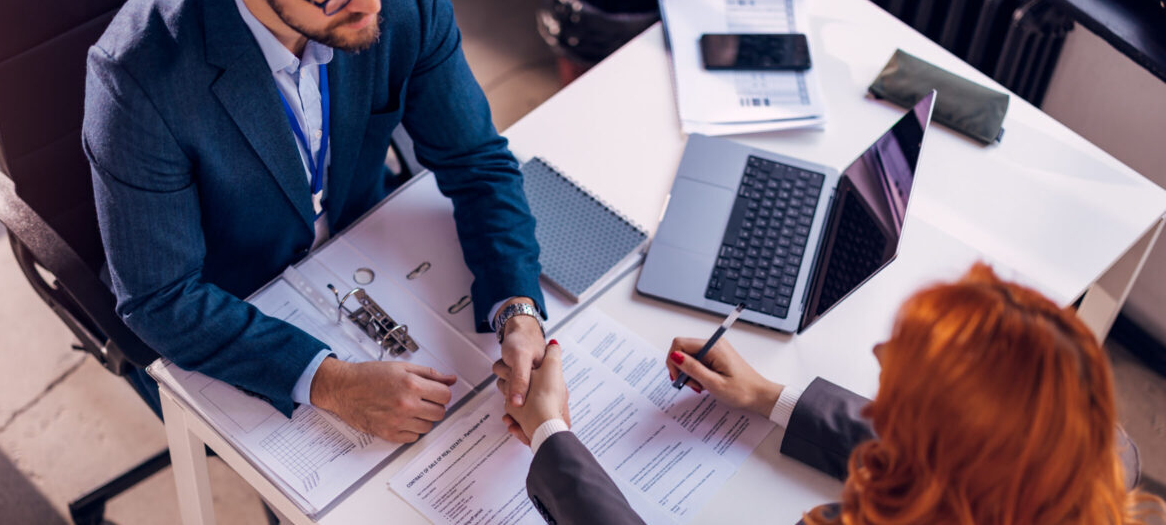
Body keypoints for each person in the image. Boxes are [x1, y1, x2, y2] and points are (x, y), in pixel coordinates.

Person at [84, 0, 549, 442]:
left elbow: (476, 161)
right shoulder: (137, 74)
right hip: (235, 304)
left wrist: (517, 307)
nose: (372, 2)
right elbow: (161, 297)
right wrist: (330, 383)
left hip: (363, 248)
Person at [497, 264, 1164, 524]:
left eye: (904, 361)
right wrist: (767, 397)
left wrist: (553, 433)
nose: (877, 352)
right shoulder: (1098, 459)